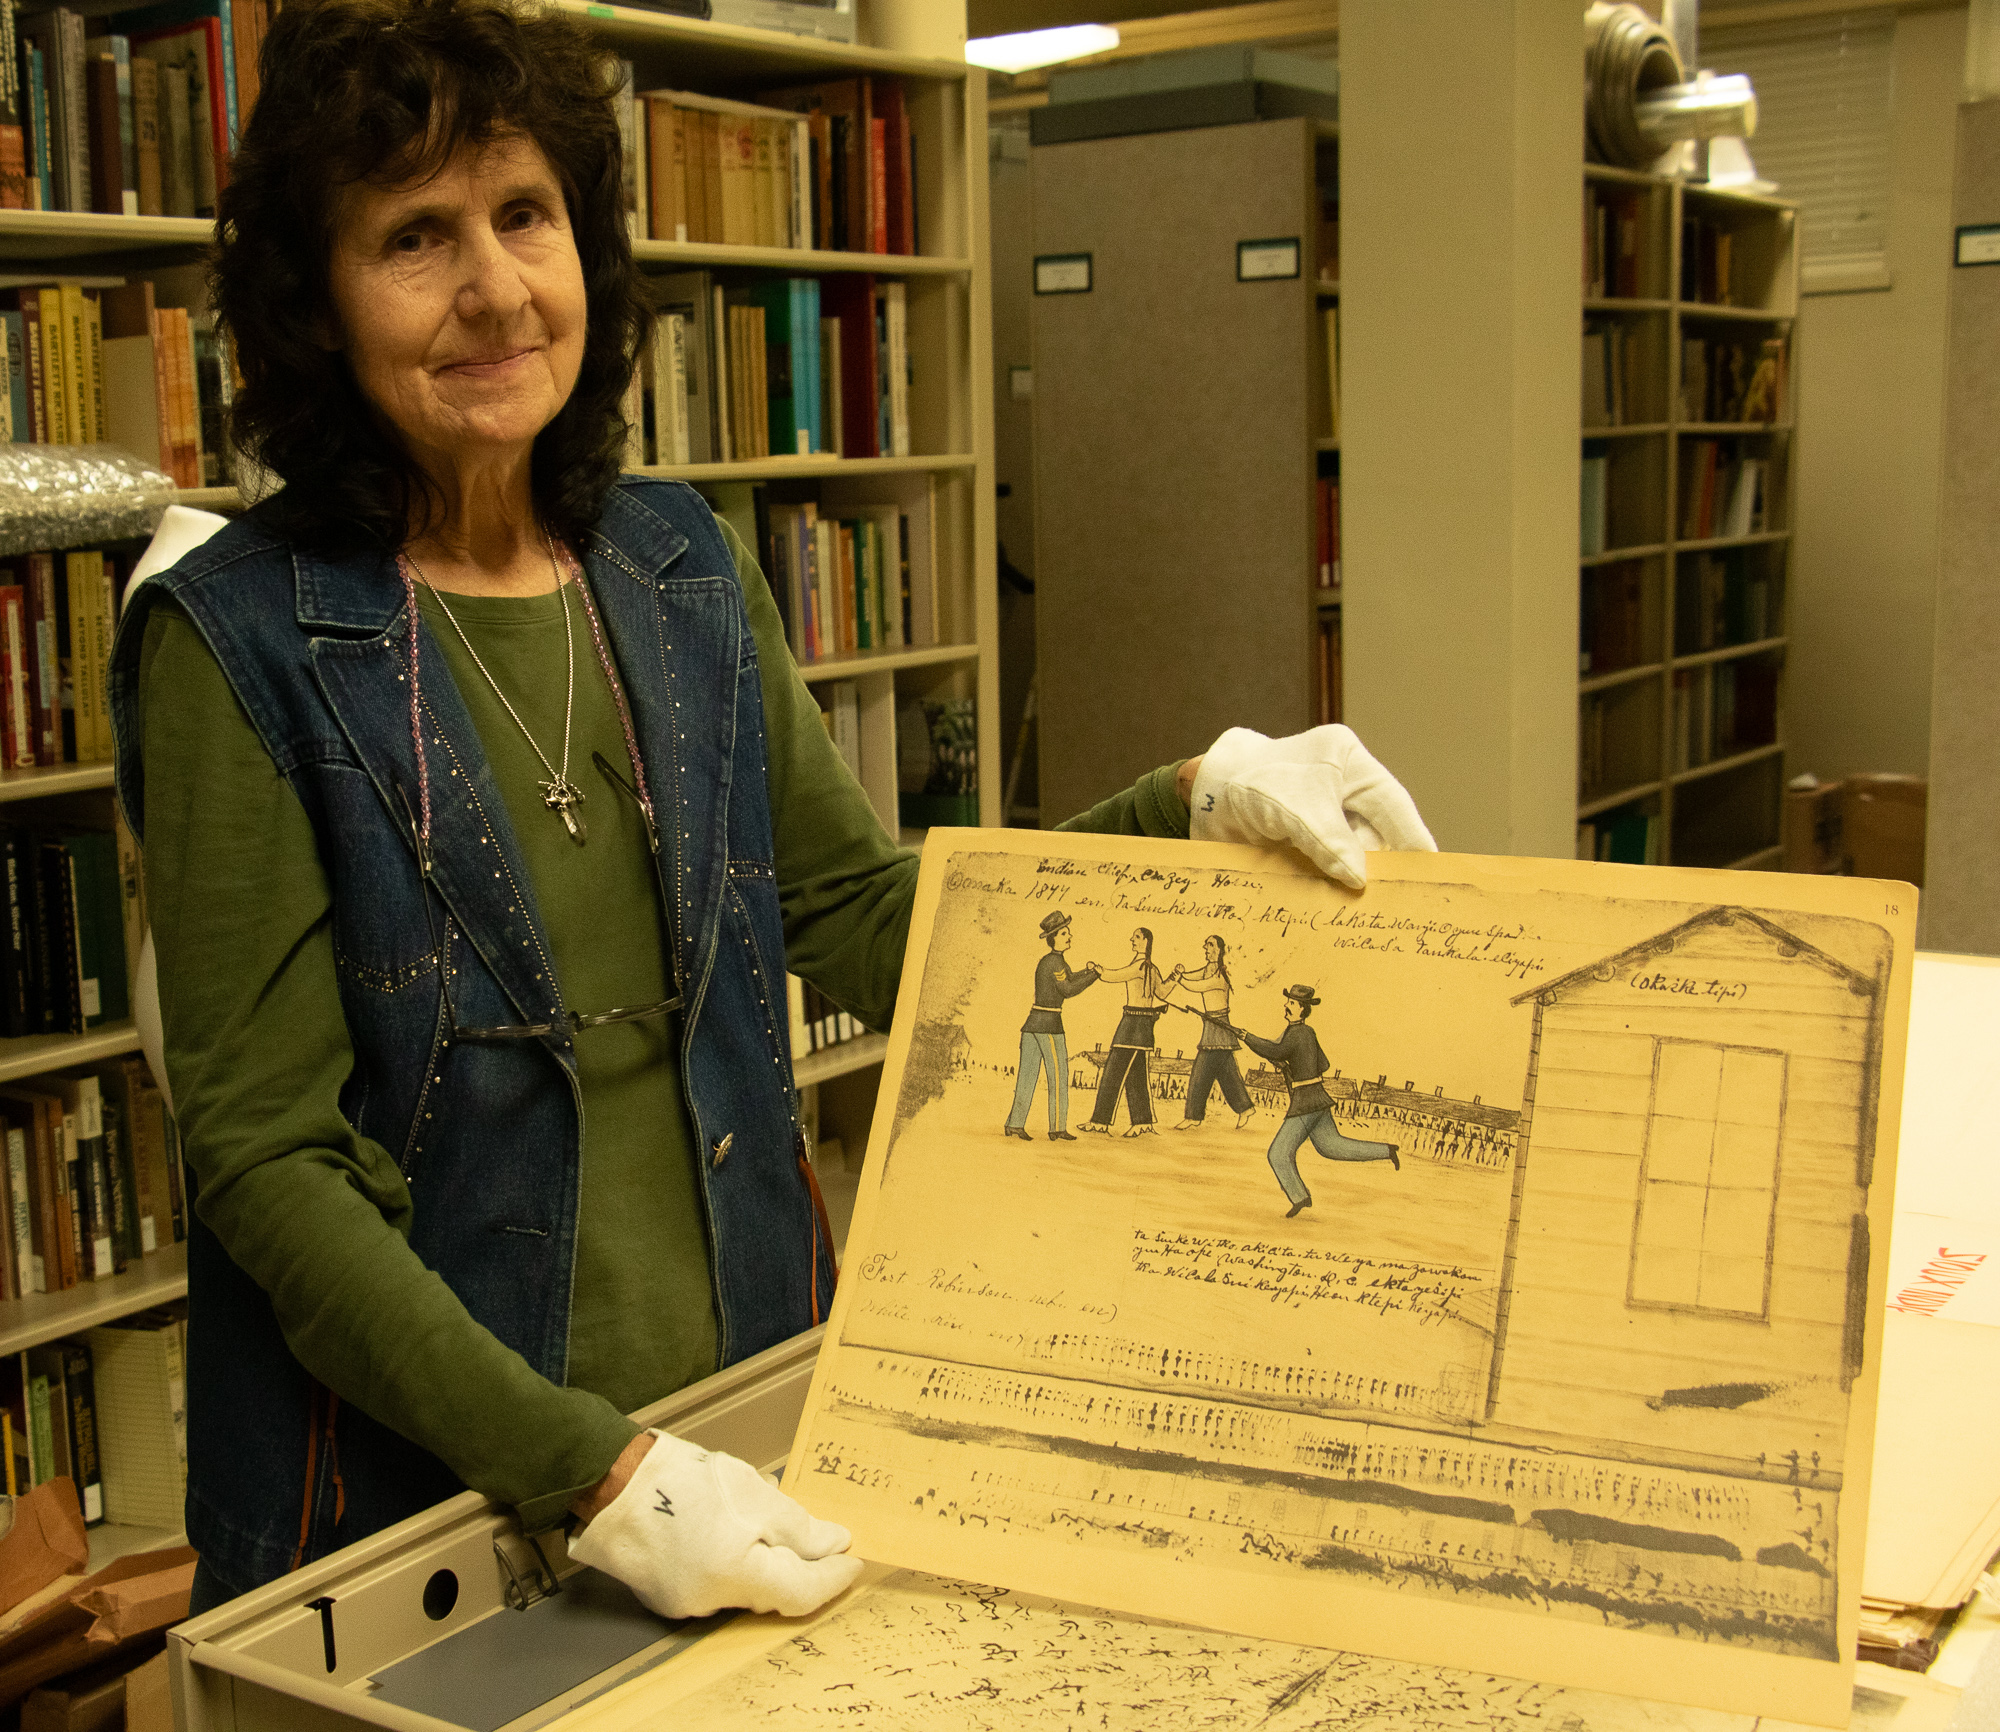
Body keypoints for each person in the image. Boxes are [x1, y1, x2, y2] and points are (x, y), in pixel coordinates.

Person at [108, 0, 1435, 1623]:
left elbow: (873, 921)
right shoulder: (231, 642)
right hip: (424, 1510)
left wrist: (1182, 811)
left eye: (527, 216)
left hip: (749, 1434)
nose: (495, 289)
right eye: (415, 237)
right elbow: (271, 1169)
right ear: (317, 305)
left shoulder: (679, 567)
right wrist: (592, 1475)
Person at [1235, 986, 1400, 1218]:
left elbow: (1277, 1050)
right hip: (1318, 1098)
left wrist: (1246, 1037)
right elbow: (1322, 1064)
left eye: (1291, 1003)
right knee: (1331, 1146)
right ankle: (1387, 1151)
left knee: (1278, 1154)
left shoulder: (1297, 1033)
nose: (1286, 1005)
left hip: (1306, 1103)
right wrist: (1290, 1064)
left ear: (1301, 1009)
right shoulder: (1307, 1032)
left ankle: (1300, 1197)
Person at [1003, 912, 1099, 1141]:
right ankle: (1057, 1128)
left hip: (1032, 1025)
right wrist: (1094, 976)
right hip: (1049, 1025)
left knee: (1027, 1076)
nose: (1069, 936)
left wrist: (1087, 971)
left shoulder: (1053, 961)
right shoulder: (1055, 961)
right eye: (1064, 933)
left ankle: (1014, 1124)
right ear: (1053, 937)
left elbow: (1069, 978)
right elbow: (1067, 989)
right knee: (1058, 1076)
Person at [1080, 927, 1172, 1137]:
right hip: (1144, 1024)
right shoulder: (1151, 968)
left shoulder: (1139, 966)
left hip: (1132, 1024)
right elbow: (1164, 991)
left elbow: (1114, 976)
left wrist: (1097, 969)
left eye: (1137, 937)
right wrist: (1174, 976)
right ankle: (1142, 1122)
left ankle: (1100, 1122)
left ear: (1146, 942)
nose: (1132, 939)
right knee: (1136, 1073)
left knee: (1113, 1071)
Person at [1167, 934, 1254, 1131]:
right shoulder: (1208, 969)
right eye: (1206, 944)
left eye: (1210, 945)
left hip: (1219, 1025)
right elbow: (1192, 977)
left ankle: (1193, 1116)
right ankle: (1245, 1108)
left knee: (1201, 1071)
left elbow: (1197, 986)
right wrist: (1181, 973)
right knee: (1226, 1072)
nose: (1205, 948)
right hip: (1212, 1026)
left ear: (1219, 950)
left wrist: (1180, 979)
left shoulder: (1219, 976)